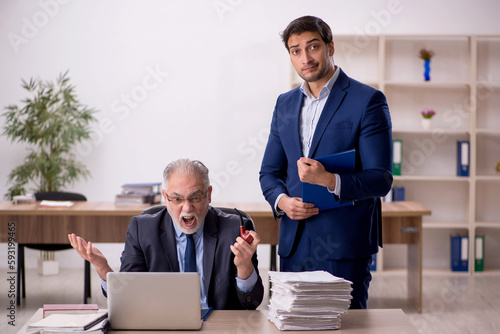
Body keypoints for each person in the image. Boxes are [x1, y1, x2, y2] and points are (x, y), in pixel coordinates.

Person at [259, 16, 393, 309]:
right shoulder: (284, 103)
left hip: (343, 244)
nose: (305, 58)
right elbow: (269, 172)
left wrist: (330, 180)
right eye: (295, 50)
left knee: (344, 325)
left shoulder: (367, 100)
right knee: (293, 323)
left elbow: (381, 179)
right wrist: (282, 202)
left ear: (330, 46)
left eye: (313, 47)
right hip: (293, 244)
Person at [69, 158, 264, 310]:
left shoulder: (235, 229)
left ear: (209, 194)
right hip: (162, 323)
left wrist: (244, 266)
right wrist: (104, 269)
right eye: (177, 199)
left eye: (196, 197)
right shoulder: (142, 229)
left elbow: (251, 303)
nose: (187, 208)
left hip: (218, 326)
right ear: (165, 197)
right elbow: (128, 298)